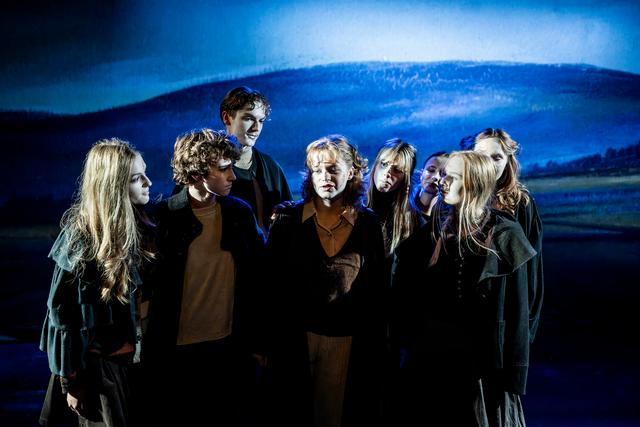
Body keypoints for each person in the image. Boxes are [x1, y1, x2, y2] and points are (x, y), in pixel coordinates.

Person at [392, 151, 537, 426]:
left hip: (479, 367)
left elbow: (518, 312)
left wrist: (514, 377)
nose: (443, 182)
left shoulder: (504, 234)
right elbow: (405, 285)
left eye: (453, 177)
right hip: (431, 360)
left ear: (474, 183)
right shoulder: (436, 230)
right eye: (444, 175)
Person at [144, 129, 266, 425]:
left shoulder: (239, 214)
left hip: (229, 348)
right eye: (223, 169)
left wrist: (259, 342)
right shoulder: (164, 218)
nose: (232, 176)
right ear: (197, 173)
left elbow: (259, 279)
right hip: (176, 351)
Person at [265, 135, 388, 427]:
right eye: (317, 170)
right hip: (294, 341)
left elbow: (377, 292)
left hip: (346, 342)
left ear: (351, 171)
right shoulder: (287, 221)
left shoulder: (369, 224)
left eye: (333, 169)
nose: (324, 177)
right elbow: (270, 286)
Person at [39, 138, 154, 426]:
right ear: (113, 186)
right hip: (97, 374)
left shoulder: (136, 226)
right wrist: (72, 382)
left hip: (132, 366)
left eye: (145, 173)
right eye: (136, 178)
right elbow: (63, 316)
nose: (148, 183)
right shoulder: (82, 239)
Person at [461, 128, 544, 341]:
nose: (489, 163)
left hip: (504, 311)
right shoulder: (457, 199)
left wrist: (527, 326)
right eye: (482, 156)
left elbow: (532, 270)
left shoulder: (521, 203)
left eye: (497, 157)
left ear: (508, 162)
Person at [221, 86, 292, 234]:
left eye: (261, 121)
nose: (256, 128)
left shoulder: (271, 166)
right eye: (248, 118)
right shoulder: (207, 167)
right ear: (227, 118)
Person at [365, 138, 422, 259]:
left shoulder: (410, 217)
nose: (387, 173)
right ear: (375, 165)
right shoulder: (353, 201)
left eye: (397, 170)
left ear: (406, 178)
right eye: (384, 164)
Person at [414, 151, 449, 217]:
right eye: (431, 170)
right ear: (421, 174)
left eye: (443, 174)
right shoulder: (403, 200)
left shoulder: (449, 214)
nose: (436, 177)